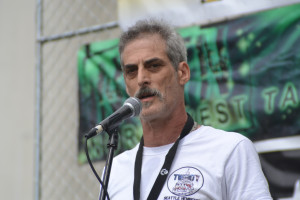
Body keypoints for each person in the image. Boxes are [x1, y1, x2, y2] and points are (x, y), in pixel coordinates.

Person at [102, 19, 272, 200]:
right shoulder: (114, 169)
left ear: (182, 73)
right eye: (131, 71)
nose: (142, 79)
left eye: (154, 66)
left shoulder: (230, 150)